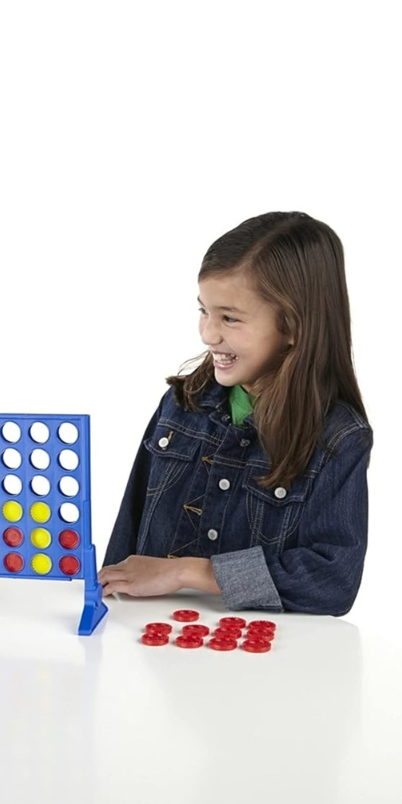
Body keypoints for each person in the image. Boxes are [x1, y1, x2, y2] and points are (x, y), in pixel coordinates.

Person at [99, 211, 371, 616]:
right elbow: (127, 543)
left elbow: (331, 581)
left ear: (292, 326)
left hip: (260, 650)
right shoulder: (181, 404)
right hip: (150, 641)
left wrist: (189, 571)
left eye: (229, 318)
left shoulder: (337, 437)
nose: (208, 334)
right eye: (203, 311)